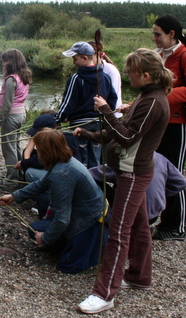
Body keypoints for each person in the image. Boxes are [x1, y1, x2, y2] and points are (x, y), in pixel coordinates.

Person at [74, 48, 173, 314]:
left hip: (133, 173)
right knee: (139, 226)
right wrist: (88, 134)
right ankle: (139, 277)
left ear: (146, 74)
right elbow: (122, 133)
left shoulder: (153, 102)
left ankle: (104, 293)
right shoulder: (146, 96)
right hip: (128, 169)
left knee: (118, 232)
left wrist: (106, 110)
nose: (127, 75)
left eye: (131, 72)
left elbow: (128, 138)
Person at [0, 128, 108, 274]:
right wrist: (14, 196)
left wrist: (46, 238)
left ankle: (77, 246)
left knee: (67, 267)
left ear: (47, 151)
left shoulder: (62, 174)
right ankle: (67, 243)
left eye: (40, 150)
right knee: (35, 228)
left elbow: (62, 218)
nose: (38, 154)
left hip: (89, 224)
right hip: (87, 216)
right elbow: (42, 183)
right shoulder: (64, 161)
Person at [151, 14, 186, 241]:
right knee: (156, 172)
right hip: (160, 122)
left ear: (171, 34)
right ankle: (160, 218)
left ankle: (176, 226)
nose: (154, 38)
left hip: (179, 125)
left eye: (158, 34)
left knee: (173, 174)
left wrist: (164, 95)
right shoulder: (159, 56)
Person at [55, 42, 117, 168]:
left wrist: (57, 119)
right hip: (98, 123)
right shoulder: (105, 77)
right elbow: (112, 100)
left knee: (80, 158)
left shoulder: (76, 78)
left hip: (80, 125)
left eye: (75, 59)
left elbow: (68, 103)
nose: (74, 62)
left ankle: (82, 184)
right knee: (95, 157)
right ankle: (96, 184)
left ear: (84, 58)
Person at [89, 152, 186, 224]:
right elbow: (181, 182)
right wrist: (161, 194)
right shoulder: (160, 157)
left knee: (94, 182)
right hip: (153, 216)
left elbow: (90, 174)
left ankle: (105, 219)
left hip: (130, 213)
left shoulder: (128, 158)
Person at [0, 49, 32, 184]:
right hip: (21, 114)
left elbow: (7, 104)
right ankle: (21, 174)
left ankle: (11, 179)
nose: (3, 64)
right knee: (15, 145)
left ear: (10, 62)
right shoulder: (23, 76)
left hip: (12, 116)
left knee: (8, 148)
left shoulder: (11, 79)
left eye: (4, 61)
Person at [15, 112, 86, 182]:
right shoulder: (56, 137)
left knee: (30, 173)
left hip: (67, 176)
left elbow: (43, 161)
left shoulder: (63, 140)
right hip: (59, 169)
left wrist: (23, 163)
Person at [88, 41, 123, 118]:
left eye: (89, 57)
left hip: (112, 115)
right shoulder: (89, 69)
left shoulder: (110, 70)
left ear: (96, 55)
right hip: (99, 115)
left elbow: (113, 95)